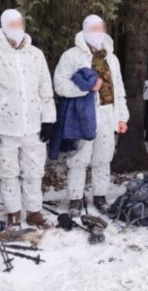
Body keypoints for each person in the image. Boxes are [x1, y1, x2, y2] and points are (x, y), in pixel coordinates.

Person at [0, 9, 56, 230]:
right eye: (12, 23)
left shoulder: (36, 54)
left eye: (20, 22)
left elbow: (45, 89)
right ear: (3, 26)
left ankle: (34, 211)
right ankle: (12, 212)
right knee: (7, 172)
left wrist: (49, 120)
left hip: (33, 126)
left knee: (34, 171)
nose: (17, 26)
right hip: (4, 127)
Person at [53, 15, 129, 216]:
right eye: (93, 28)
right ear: (84, 30)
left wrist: (122, 117)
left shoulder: (111, 58)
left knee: (103, 158)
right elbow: (59, 84)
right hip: (83, 114)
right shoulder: (71, 56)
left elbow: (118, 88)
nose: (97, 32)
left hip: (107, 113)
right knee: (79, 158)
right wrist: (85, 88)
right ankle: (75, 199)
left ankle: (100, 196)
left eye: (100, 28)